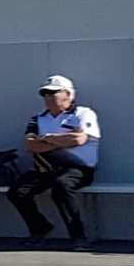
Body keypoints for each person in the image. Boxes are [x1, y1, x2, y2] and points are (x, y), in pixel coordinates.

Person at [9, 74, 101, 250]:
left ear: (69, 94)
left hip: (79, 169)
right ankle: (40, 229)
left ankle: (78, 236)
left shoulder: (83, 113)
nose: (48, 98)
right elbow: (30, 145)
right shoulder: (37, 118)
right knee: (17, 192)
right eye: (45, 94)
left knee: (61, 186)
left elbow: (79, 139)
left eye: (53, 93)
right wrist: (61, 141)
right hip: (47, 169)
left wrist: (48, 139)